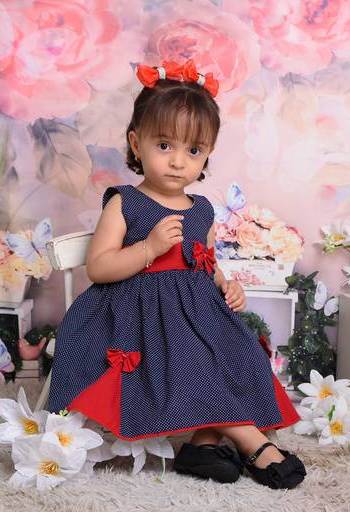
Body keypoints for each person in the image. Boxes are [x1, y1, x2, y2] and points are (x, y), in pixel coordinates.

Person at [46, 59, 306, 490]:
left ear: (206, 155)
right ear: (136, 143)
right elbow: (99, 267)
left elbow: (204, 262)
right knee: (193, 355)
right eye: (164, 145)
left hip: (195, 310)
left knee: (239, 349)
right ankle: (251, 441)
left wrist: (226, 283)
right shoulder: (125, 202)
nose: (178, 162)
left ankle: (203, 446)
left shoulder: (201, 210)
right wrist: (147, 249)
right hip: (136, 314)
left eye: (193, 151)